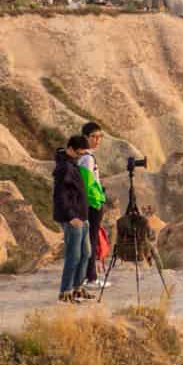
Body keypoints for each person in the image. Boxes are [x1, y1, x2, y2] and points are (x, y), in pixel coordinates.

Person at [53, 134, 93, 304]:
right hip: (73, 219)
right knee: (73, 255)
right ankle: (65, 291)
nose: (81, 157)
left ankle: (77, 287)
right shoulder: (64, 168)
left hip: (81, 217)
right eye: (79, 153)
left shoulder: (72, 163)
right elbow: (60, 196)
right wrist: (71, 217)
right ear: (70, 149)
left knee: (86, 253)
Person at [78, 121, 108, 289]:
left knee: (88, 240)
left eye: (99, 137)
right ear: (85, 137)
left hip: (88, 204)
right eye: (94, 137)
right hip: (92, 205)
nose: (97, 140)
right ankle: (91, 277)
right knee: (91, 240)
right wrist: (98, 201)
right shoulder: (87, 159)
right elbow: (88, 185)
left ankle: (86, 276)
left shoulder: (82, 156)